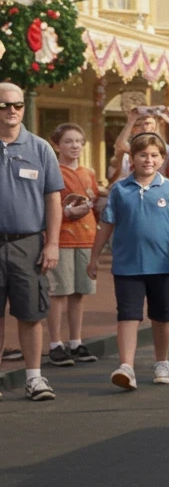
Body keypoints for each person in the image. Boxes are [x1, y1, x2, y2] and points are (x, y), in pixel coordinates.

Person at [87, 133, 169, 389]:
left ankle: (161, 361)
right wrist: (94, 256)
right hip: (127, 266)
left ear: (162, 159)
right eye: (142, 155)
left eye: (154, 155)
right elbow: (106, 225)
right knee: (127, 315)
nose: (148, 160)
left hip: (164, 266)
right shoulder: (120, 190)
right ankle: (126, 366)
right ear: (132, 159)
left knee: (161, 317)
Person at [0, 82, 62, 401]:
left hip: (28, 243)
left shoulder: (39, 148)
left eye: (18, 105)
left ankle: (34, 378)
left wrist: (52, 244)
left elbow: (53, 198)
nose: (12, 111)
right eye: (5, 105)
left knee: (31, 312)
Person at [47, 124, 100, 366]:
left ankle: (75, 341)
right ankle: (55, 343)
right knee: (59, 291)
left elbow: (95, 200)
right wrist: (69, 211)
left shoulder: (88, 172)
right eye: (69, 141)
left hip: (87, 238)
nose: (75, 145)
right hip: (63, 238)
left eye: (79, 141)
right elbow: (48, 206)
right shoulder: (53, 171)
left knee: (79, 292)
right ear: (57, 145)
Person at [109, 105, 169, 184]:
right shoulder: (130, 148)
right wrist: (131, 120)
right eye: (140, 124)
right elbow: (120, 144)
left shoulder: (162, 149)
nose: (145, 128)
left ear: (155, 128)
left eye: (149, 123)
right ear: (133, 129)